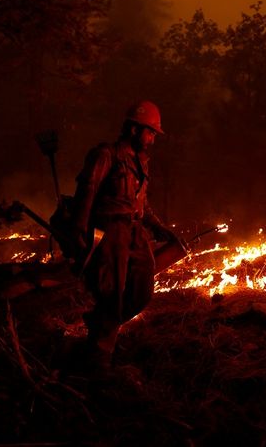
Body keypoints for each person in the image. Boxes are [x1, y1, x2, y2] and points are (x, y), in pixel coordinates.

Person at [70, 100, 175, 370]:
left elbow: (143, 205)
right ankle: (98, 361)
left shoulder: (141, 164)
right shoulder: (106, 155)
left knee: (141, 292)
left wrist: (161, 229)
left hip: (135, 231)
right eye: (150, 132)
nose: (152, 139)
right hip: (110, 231)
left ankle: (99, 323)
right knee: (112, 293)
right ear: (133, 130)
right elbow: (87, 190)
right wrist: (80, 230)